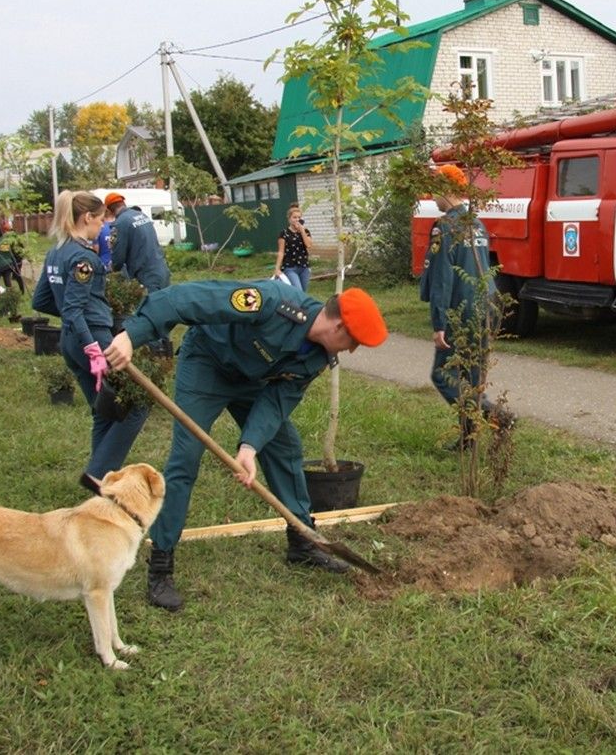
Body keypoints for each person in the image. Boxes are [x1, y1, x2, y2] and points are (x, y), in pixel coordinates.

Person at [103, 281, 388, 611]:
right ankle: (161, 565)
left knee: (285, 449)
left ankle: (302, 540)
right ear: (338, 326)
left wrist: (250, 446)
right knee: (186, 459)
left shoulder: (318, 357)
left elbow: (279, 400)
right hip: (206, 366)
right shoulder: (270, 303)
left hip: (251, 383)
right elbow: (186, 299)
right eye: (352, 342)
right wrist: (131, 335)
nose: (349, 350)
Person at [33, 191, 149, 482]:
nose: (104, 226)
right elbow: (73, 309)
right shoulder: (84, 259)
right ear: (87, 218)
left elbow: (41, 301)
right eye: (101, 220)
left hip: (71, 342)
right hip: (94, 341)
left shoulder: (56, 252)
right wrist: (93, 347)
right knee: (137, 404)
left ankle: (101, 478)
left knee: (104, 410)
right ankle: (99, 475)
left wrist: (75, 325)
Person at [419, 164, 514, 451]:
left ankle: (492, 414)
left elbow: (442, 277)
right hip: (486, 305)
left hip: (461, 311)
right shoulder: (476, 222)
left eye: (435, 189)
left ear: (446, 189)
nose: (432, 196)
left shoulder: (445, 226)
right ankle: (469, 440)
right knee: (473, 378)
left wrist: (439, 323)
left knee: (443, 374)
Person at [105, 192, 170, 291]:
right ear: (123, 203)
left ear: (109, 210)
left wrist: (111, 269)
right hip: (161, 268)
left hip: (146, 275)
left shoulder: (120, 223)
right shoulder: (141, 215)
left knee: (151, 305)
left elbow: (118, 257)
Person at [272, 204, 314, 291]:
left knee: (303, 293)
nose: (297, 220)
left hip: (304, 266)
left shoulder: (305, 231)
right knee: (298, 290)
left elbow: (308, 245)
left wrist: (302, 231)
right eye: (294, 217)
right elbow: (281, 252)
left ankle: (298, 305)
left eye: (299, 217)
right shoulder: (284, 233)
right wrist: (277, 269)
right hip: (290, 267)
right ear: (289, 219)